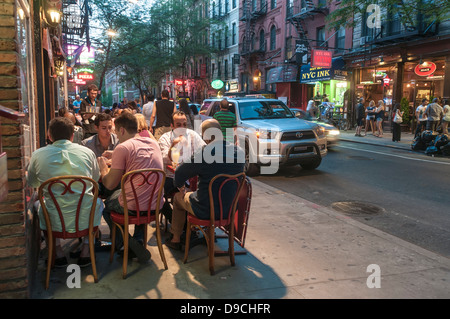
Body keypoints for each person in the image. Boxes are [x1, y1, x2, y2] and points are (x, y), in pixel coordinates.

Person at [27, 117, 104, 267]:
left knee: (38, 205)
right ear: (72, 136)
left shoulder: (38, 154)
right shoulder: (87, 153)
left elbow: (33, 183)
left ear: (49, 135)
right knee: (99, 203)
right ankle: (86, 252)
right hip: (84, 215)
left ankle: (58, 252)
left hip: (55, 217)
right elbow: (95, 180)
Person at [165, 119, 245, 250]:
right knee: (208, 193)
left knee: (178, 198)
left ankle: (175, 239)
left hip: (204, 210)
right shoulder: (239, 152)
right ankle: (209, 233)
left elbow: (179, 173)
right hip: (230, 209)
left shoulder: (205, 153)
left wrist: (181, 188)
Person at [98, 112, 164, 263]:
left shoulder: (123, 147)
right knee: (137, 194)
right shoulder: (152, 143)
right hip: (156, 204)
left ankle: (126, 244)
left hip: (133, 206)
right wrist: (115, 154)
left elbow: (109, 184)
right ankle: (139, 239)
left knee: (107, 205)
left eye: (116, 132)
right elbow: (136, 152)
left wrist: (103, 168)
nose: (117, 136)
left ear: (121, 130)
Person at [158, 111, 206, 220]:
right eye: (178, 125)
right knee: (156, 194)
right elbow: (167, 159)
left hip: (193, 178)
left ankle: (191, 223)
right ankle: (173, 219)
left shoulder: (193, 135)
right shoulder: (165, 138)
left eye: (184, 124)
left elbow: (205, 151)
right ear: (172, 126)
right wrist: (173, 145)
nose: (182, 128)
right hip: (171, 178)